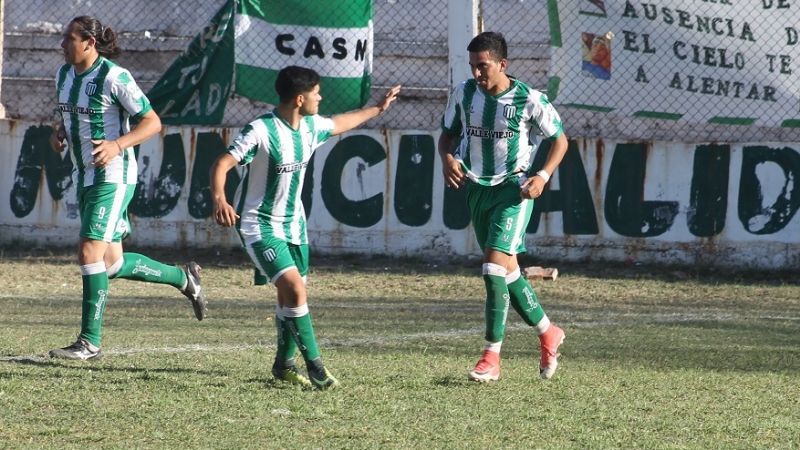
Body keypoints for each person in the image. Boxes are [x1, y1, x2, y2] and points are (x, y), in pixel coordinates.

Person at [210, 66, 400, 390]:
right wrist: (219, 199)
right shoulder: (261, 130)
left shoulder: (311, 127)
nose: (320, 98)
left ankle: (283, 365)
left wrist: (378, 108)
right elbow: (222, 163)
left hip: (294, 225)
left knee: (289, 296)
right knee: (296, 289)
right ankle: (317, 369)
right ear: (300, 99)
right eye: (316, 93)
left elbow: (342, 122)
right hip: (259, 224)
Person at [48, 16, 207, 361]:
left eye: (69, 38)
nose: (62, 44)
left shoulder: (114, 77)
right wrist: (60, 132)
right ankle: (184, 279)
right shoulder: (63, 75)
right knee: (111, 264)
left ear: (89, 42)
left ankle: (89, 343)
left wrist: (117, 145)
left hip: (113, 176)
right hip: (83, 176)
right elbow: (71, 116)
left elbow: (152, 122)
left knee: (89, 252)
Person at [438, 32, 568, 381]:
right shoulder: (464, 94)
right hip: (476, 189)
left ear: (502, 64)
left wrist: (542, 176)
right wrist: (447, 159)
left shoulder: (529, 99)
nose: (477, 73)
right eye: (473, 66)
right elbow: (447, 136)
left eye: (483, 66)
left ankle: (491, 357)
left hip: (514, 191)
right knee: (507, 272)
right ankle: (548, 332)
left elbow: (560, 140)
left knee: (493, 268)